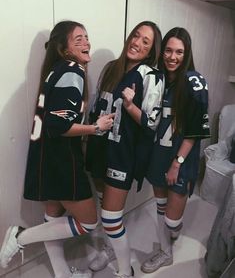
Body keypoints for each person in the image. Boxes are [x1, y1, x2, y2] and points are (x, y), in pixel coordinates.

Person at [0, 20, 114, 278]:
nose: (87, 43)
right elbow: (58, 125)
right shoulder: (73, 71)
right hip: (62, 158)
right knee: (88, 223)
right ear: (64, 49)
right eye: (78, 39)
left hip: (45, 155)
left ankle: (62, 274)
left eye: (87, 37)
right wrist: (96, 127)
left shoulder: (55, 70)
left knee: (52, 218)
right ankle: (21, 236)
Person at [86, 21, 165, 278]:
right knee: (101, 205)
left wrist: (131, 106)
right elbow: (98, 103)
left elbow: (152, 123)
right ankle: (109, 249)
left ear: (152, 50)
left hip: (122, 153)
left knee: (111, 218)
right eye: (136, 36)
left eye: (146, 41)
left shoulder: (152, 75)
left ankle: (124, 270)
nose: (137, 43)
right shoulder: (112, 67)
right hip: (99, 146)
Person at [140, 27, 210, 274]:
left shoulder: (195, 82)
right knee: (160, 206)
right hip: (158, 154)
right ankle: (165, 253)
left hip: (180, 159)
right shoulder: (157, 78)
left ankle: (173, 231)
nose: (172, 57)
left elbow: (194, 131)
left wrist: (177, 162)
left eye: (179, 52)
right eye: (168, 50)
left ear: (187, 53)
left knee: (171, 219)